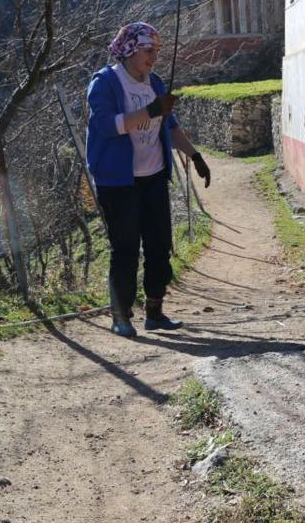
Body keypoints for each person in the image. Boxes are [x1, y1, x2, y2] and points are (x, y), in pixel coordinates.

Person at [85, 22, 211, 337]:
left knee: (159, 245)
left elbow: (170, 126)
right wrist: (152, 110)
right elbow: (107, 126)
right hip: (118, 182)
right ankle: (121, 315)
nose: (154, 58)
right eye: (148, 51)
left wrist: (195, 156)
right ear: (130, 49)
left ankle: (154, 311)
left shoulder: (154, 82)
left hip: (153, 177)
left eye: (157, 51)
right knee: (125, 247)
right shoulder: (105, 83)